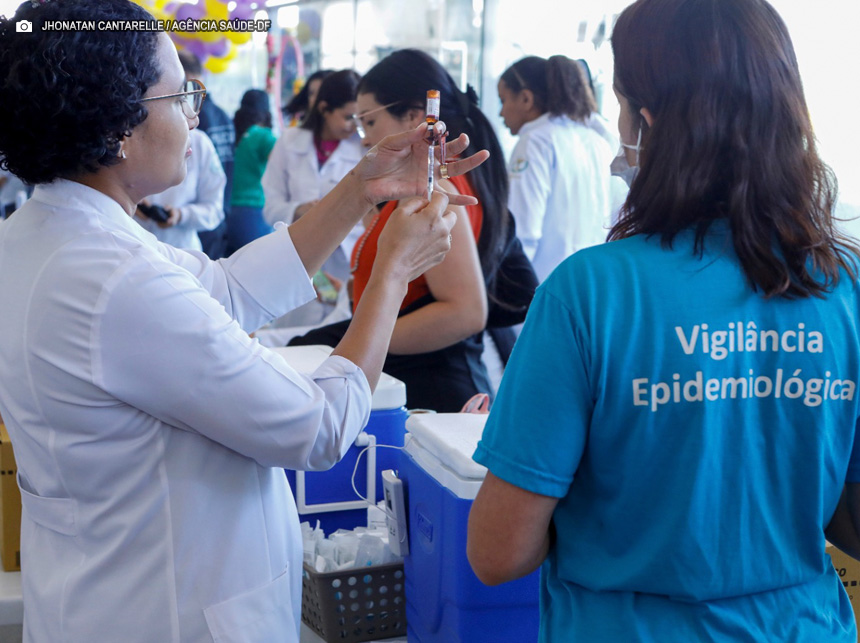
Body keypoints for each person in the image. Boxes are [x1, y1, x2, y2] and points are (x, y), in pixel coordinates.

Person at [0, 2, 486, 641]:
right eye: (180, 95)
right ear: (120, 123)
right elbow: (318, 428)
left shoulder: (44, 235)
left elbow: (224, 289)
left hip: (102, 593)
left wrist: (364, 185)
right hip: (166, 610)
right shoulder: (113, 278)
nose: (194, 115)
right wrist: (392, 276)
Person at [468, 0, 860, 641]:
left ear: (649, 121)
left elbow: (497, 553)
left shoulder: (588, 294)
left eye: (621, 102)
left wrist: (542, 450)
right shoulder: (844, 284)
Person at [292, 49, 520, 412]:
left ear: (415, 116)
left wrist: (364, 338)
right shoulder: (420, 188)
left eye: (369, 122)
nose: (364, 138)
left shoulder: (438, 192)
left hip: (429, 387)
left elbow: (465, 312)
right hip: (414, 376)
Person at [498, 54, 614, 282]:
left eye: (503, 100)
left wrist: (506, 288)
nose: (501, 112)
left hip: (543, 287)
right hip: (588, 284)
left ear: (526, 99)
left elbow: (523, 232)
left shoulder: (534, 142)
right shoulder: (595, 141)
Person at [262, 69, 365, 325]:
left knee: (337, 339)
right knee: (294, 341)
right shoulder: (289, 142)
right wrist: (299, 210)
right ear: (324, 108)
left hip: (344, 261)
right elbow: (270, 206)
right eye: (347, 117)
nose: (354, 125)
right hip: (297, 258)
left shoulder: (364, 149)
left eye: (359, 118)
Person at [177, 49, 234, 260]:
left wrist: (180, 215)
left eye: (195, 92)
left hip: (198, 237)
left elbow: (214, 203)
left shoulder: (201, 135)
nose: (193, 120)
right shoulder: (220, 115)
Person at [226, 89, 277, 255]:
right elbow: (284, 166)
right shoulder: (263, 136)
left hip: (227, 211)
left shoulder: (232, 134)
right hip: (254, 212)